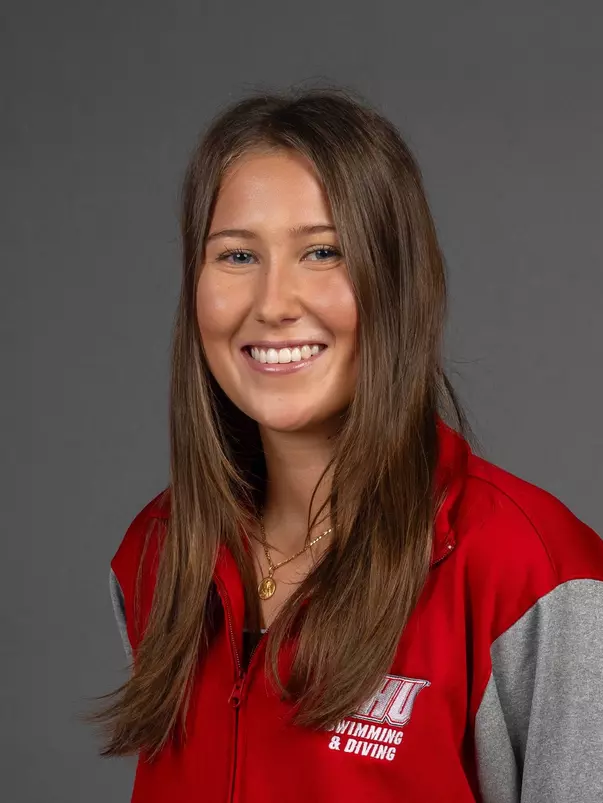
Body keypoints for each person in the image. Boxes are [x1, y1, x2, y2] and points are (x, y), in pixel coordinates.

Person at [91, 88, 603, 802]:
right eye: (236, 254)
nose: (272, 302)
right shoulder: (158, 554)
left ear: (395, 281)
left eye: (322, 251)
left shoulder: (530, 573)